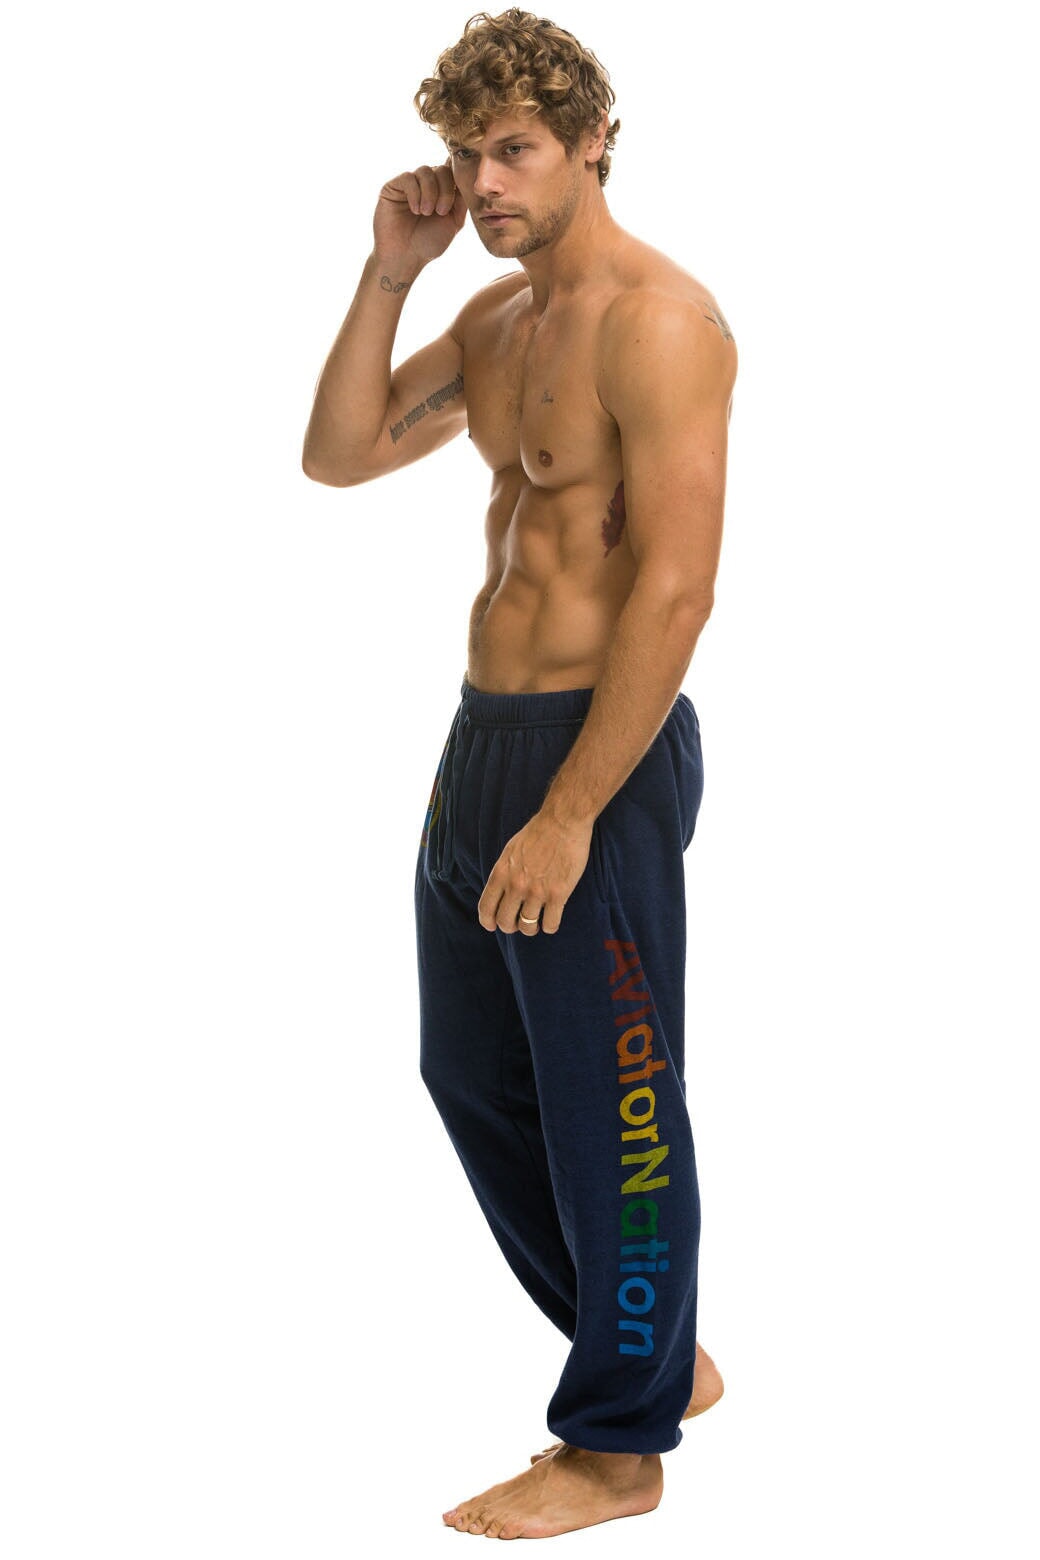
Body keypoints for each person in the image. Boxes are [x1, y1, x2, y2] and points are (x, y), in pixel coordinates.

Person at [302, 8, 736, 1540]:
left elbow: (676, 590)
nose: (482, 182)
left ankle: (618, 1450)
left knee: (614, 1102)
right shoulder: (498, 323)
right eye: (464, 153)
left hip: (590, 758)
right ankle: (657, 1352)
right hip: (480, 740)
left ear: (591, 142)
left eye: (513, 151)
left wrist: (570, 814)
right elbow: (341, 452)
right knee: (471, 1073)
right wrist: (390, 271)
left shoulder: (661, 324)